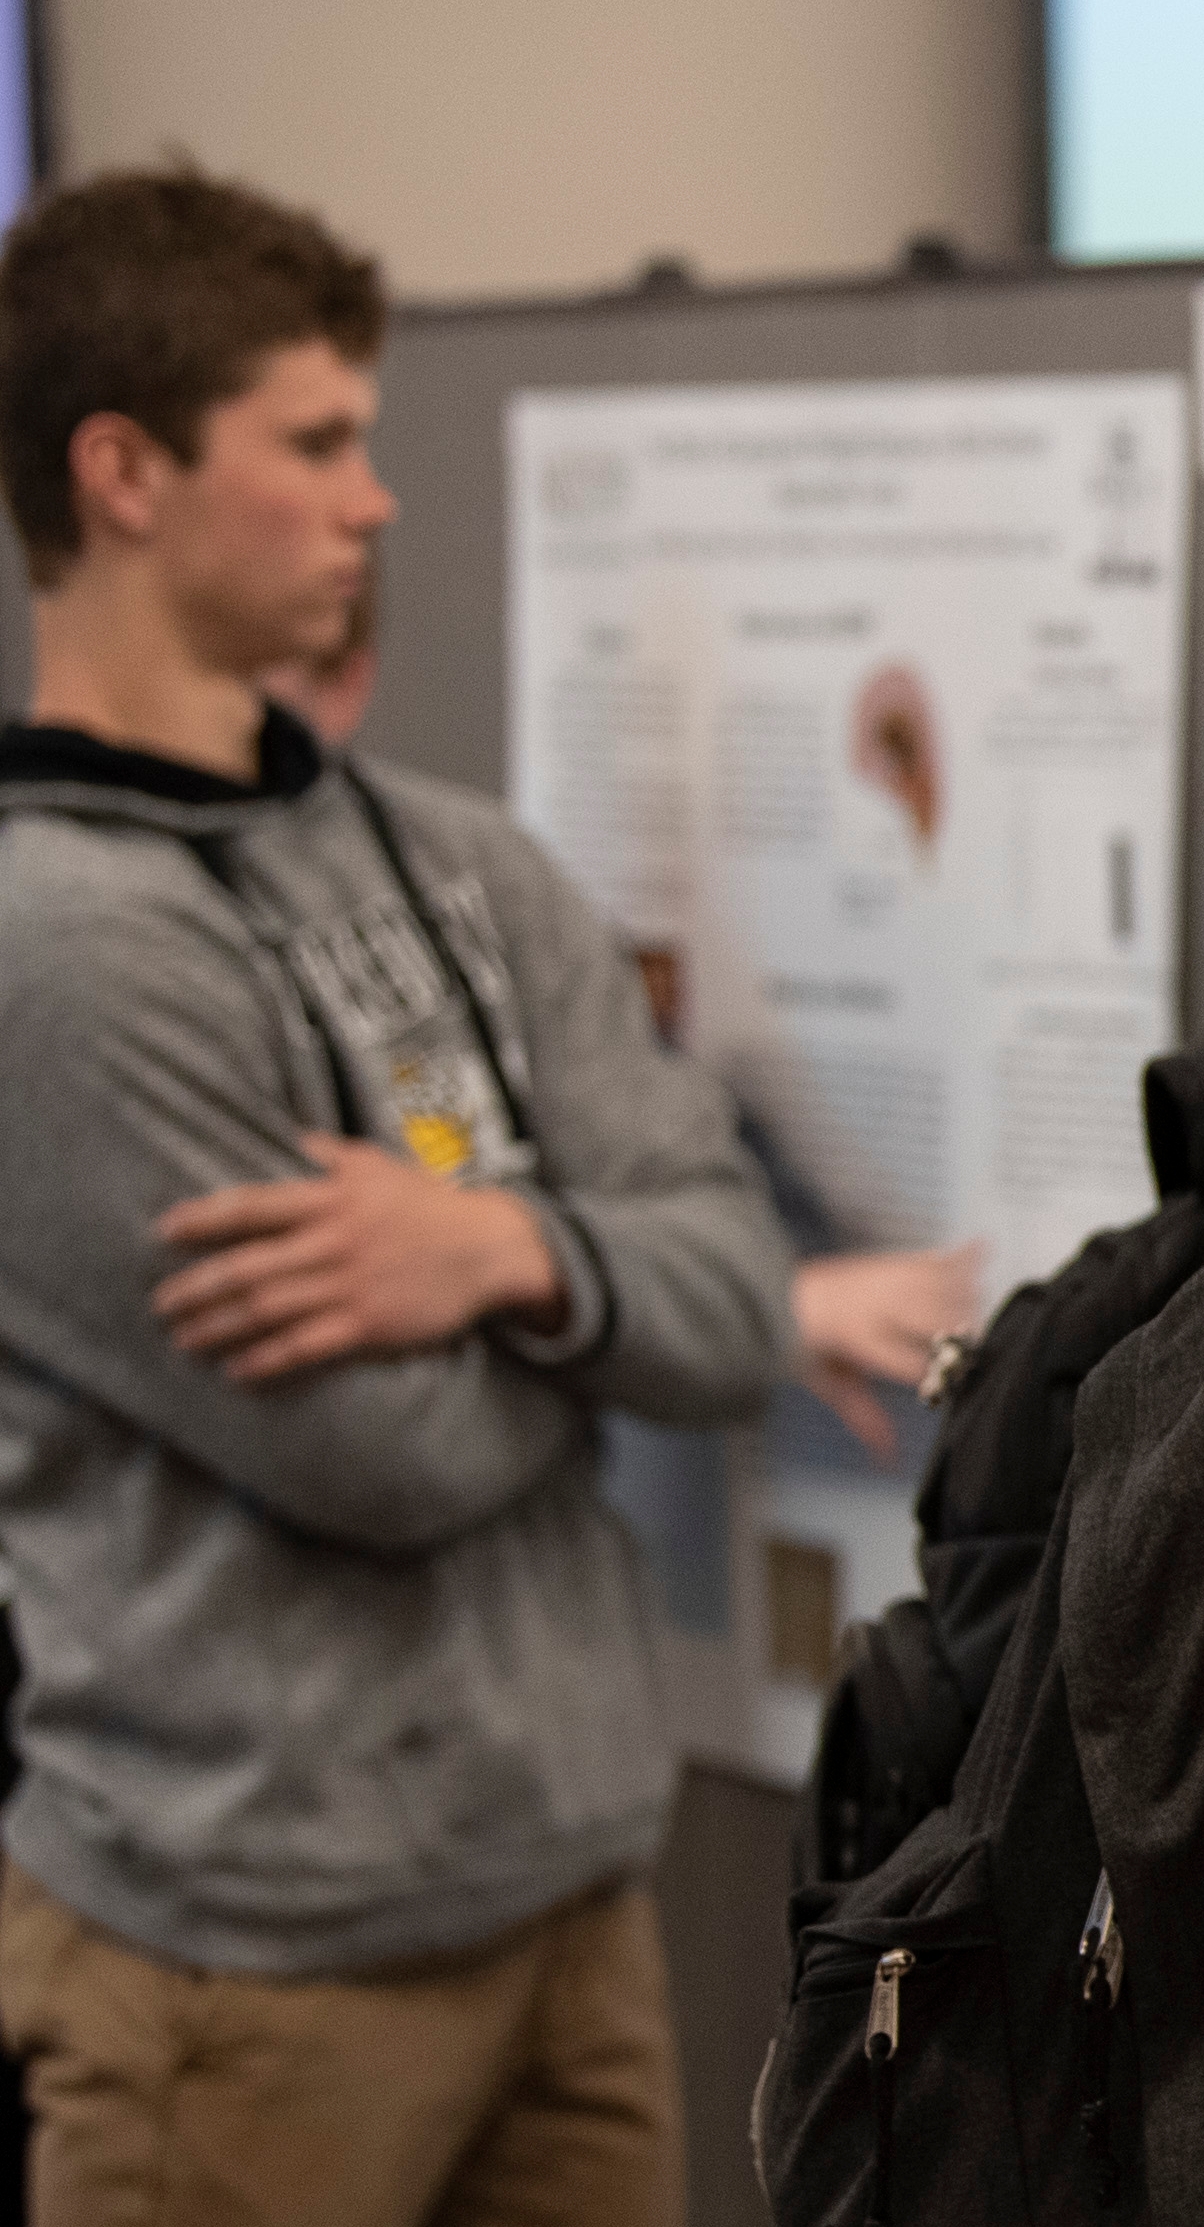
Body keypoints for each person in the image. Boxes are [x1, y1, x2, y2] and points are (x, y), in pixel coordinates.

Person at [0, 167, 794, 2224]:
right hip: (244, 1973)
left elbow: (732, 1297)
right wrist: (596, 1298)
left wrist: (500, 1248)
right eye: (319, 442)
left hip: (568, 1899)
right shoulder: (59, 946)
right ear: (122, 474)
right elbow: (381, 1452)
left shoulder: (459, 862)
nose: (378, 502)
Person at [256, 591, 982, 1463]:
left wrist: (511, 1262)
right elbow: (371, 1435)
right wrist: (633, 1321)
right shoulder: (135, 949)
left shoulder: (478, 882)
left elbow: (715, 1247)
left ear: (350, 681)